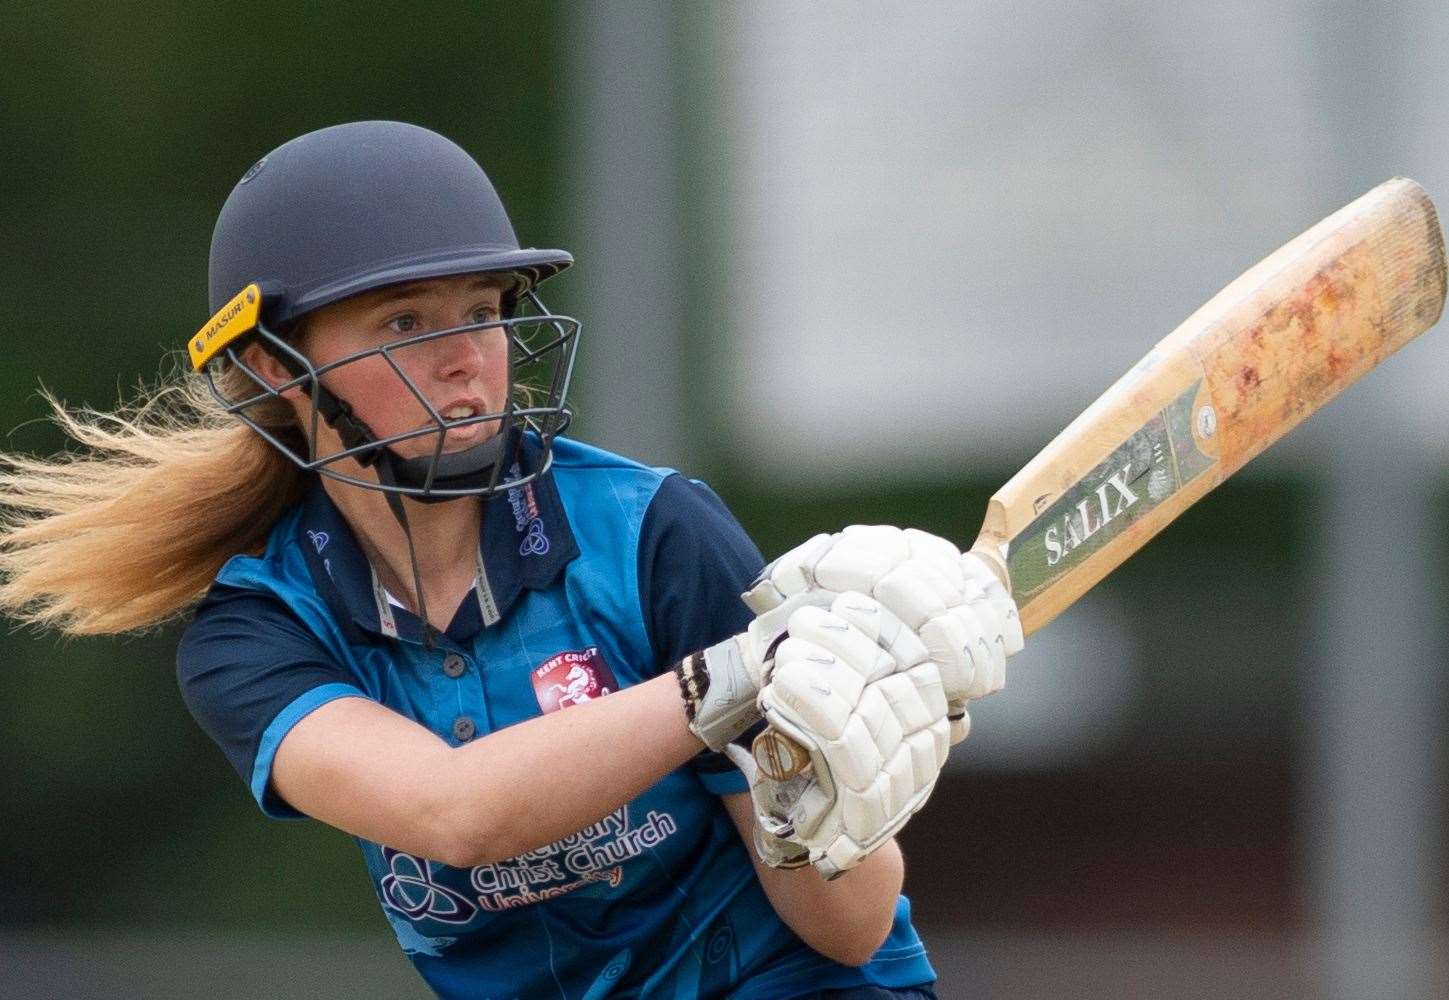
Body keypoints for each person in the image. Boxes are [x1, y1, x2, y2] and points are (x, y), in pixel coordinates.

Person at [0, 121, 1022, 999]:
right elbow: (455, 814)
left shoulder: (654, 533)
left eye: (483, 311)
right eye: (406, 320)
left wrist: (834, 775)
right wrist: (741, 674)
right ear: (275, 363)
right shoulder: (256, 627)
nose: (466, 355)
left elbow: (848, 931)